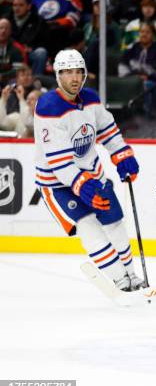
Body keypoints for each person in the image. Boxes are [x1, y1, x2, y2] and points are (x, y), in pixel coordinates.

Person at [33, 49, 143, 291]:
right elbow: (58, 161)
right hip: (57, 184)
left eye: (78, 72)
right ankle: (119, 279)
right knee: (88, 225)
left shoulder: (90, 98)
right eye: (67, 72)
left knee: (114, 221)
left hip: (92, 174)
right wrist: (81, 185)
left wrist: (121, 153)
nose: (74, 77)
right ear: (58, 75)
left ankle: (132, 274)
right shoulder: (49, 106)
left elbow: (108, 129)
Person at [118, 22, 156, 119]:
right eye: (142, 32)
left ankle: (147, 119)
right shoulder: (133, 48)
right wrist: (135, 77)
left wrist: (148, 77)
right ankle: (124, 118)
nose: (144, 34)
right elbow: (122, 69)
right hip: (134, 82)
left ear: (153, 35)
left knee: (146, 85)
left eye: (147, 32)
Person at [10, 0, 47, 75]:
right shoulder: (7, 19)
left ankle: (36, 80)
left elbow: (44, 41)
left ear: (28, 6)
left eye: (21, 5)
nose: (17, 8)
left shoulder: (38, 21)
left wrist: (32, 48)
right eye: (15, 5)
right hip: (10, 52)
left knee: (41, 52)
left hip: (29, 52)